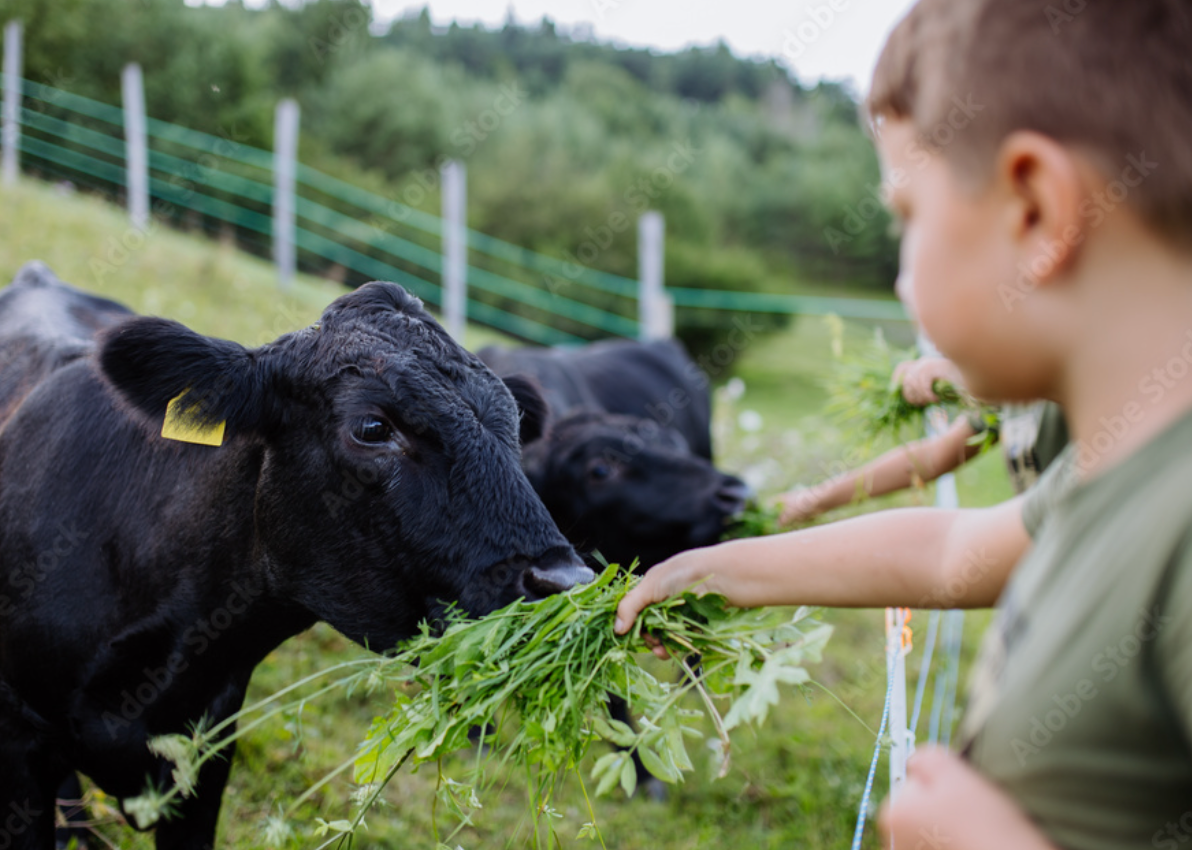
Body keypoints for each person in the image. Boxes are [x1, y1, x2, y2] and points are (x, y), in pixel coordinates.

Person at [614, 1, 1192, 848]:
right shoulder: (1112, 472)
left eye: (908, 215)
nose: (899, 278)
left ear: (1034, 209)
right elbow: (956, 551)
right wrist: (724, 569)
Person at [776, 357, 1069, 524]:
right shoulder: (1010, 390)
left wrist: (975, 373)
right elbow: (932, 459)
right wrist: (814, 500)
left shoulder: (1070, 373)